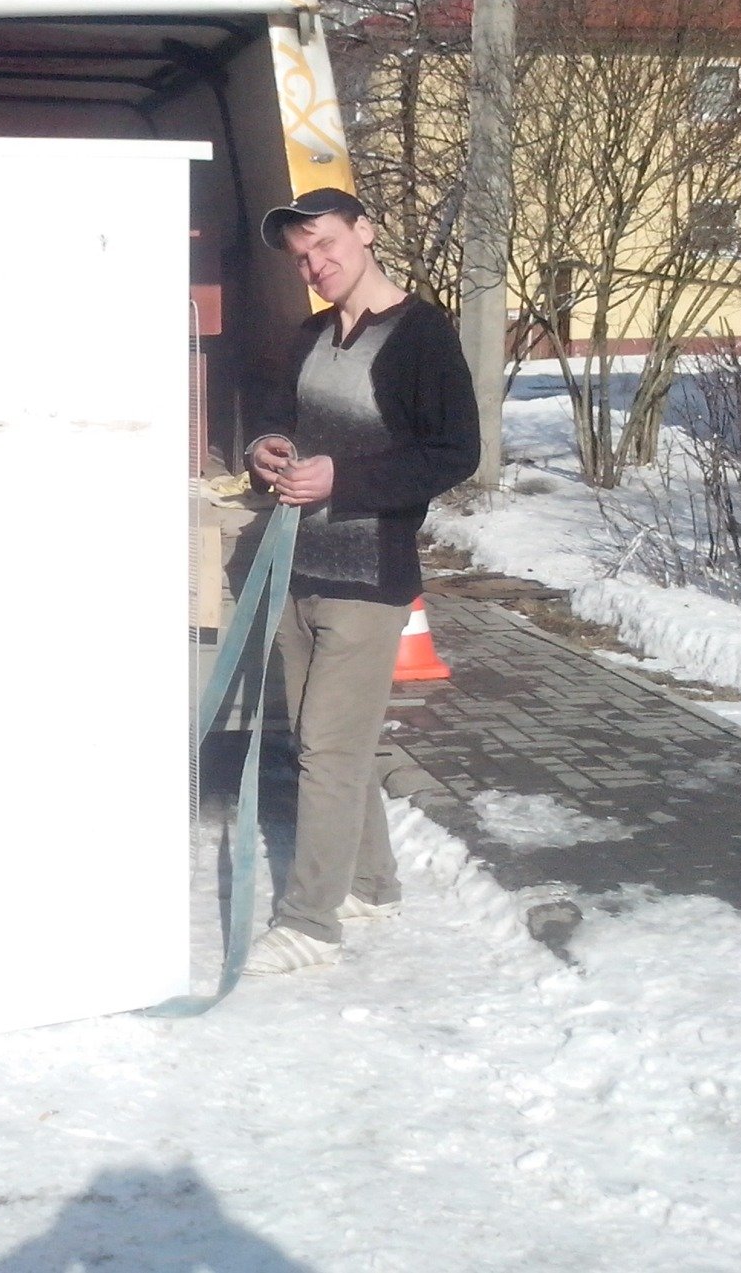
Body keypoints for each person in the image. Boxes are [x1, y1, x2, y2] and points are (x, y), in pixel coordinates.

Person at [240, 187, 479, 976]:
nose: (315, 264)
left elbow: (453, 452)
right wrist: (268, 446)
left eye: (326, 244)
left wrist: (343, 477)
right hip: (297, 564)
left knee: (328, 752)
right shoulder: (312, 331)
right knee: (333, 741)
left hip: (368, 576)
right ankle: (372, 885)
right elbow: (281, 414)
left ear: (366, 232)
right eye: (303, 255)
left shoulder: (421, 335)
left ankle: (310, 922)